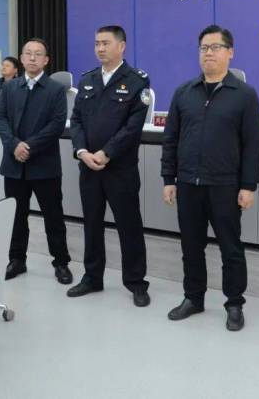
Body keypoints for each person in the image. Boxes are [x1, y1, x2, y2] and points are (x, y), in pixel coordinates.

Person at [161, 25, 259, 331]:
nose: (209, 53)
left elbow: (253, 145)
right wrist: (169, 178)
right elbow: (171, 139)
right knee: (191, 247)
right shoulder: (184, 92)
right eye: (204, 48)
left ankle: (234, 304)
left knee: (231, 249)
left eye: (216, 47)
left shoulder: (244, 95)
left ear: (230, 52)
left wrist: (248, 186)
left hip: (225, 186)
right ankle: (193, 297)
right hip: (188, 184)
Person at [66, 25, 151, 307]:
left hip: (120, 169)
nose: (100, 48)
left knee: (129, 226)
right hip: (88, 167)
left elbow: (133, 127)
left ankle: (136, 282)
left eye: (105, 43)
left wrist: (106, 153)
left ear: (121, 46)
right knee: (91, 225)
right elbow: (76, 120)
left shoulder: (137, 81)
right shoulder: (87, 79)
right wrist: (82, 152)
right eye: (96, 43)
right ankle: (92, 277)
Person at [0, 38, 72, 284]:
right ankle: (17, 260)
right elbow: (1, 119)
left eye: (38, 54)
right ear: (21, 58)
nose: (32, 57)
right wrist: (14, 145)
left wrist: (29, 146)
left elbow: (57, 124)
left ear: (46, 60)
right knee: (16, 216)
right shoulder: (9, 88)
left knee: (53, 216)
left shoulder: (56, 90)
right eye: (27, 53)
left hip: (45, 165)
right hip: (14, 165)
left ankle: (61, 262)